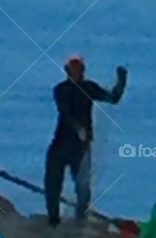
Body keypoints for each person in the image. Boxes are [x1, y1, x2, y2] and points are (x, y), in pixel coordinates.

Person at [46, 54, 127, 226]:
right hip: (61, 143)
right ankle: (53, 220)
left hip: (81, 147)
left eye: (79, 69)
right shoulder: (60, 90)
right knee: (53, 182)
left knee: (83, 187)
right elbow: (65, 113)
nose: (76, 72)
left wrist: (122, 80)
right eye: (72, 69)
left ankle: (80, 222)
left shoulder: (89, 88)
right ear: (67, 71)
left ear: (83, 71)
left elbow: (113, 98)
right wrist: (78, 129)